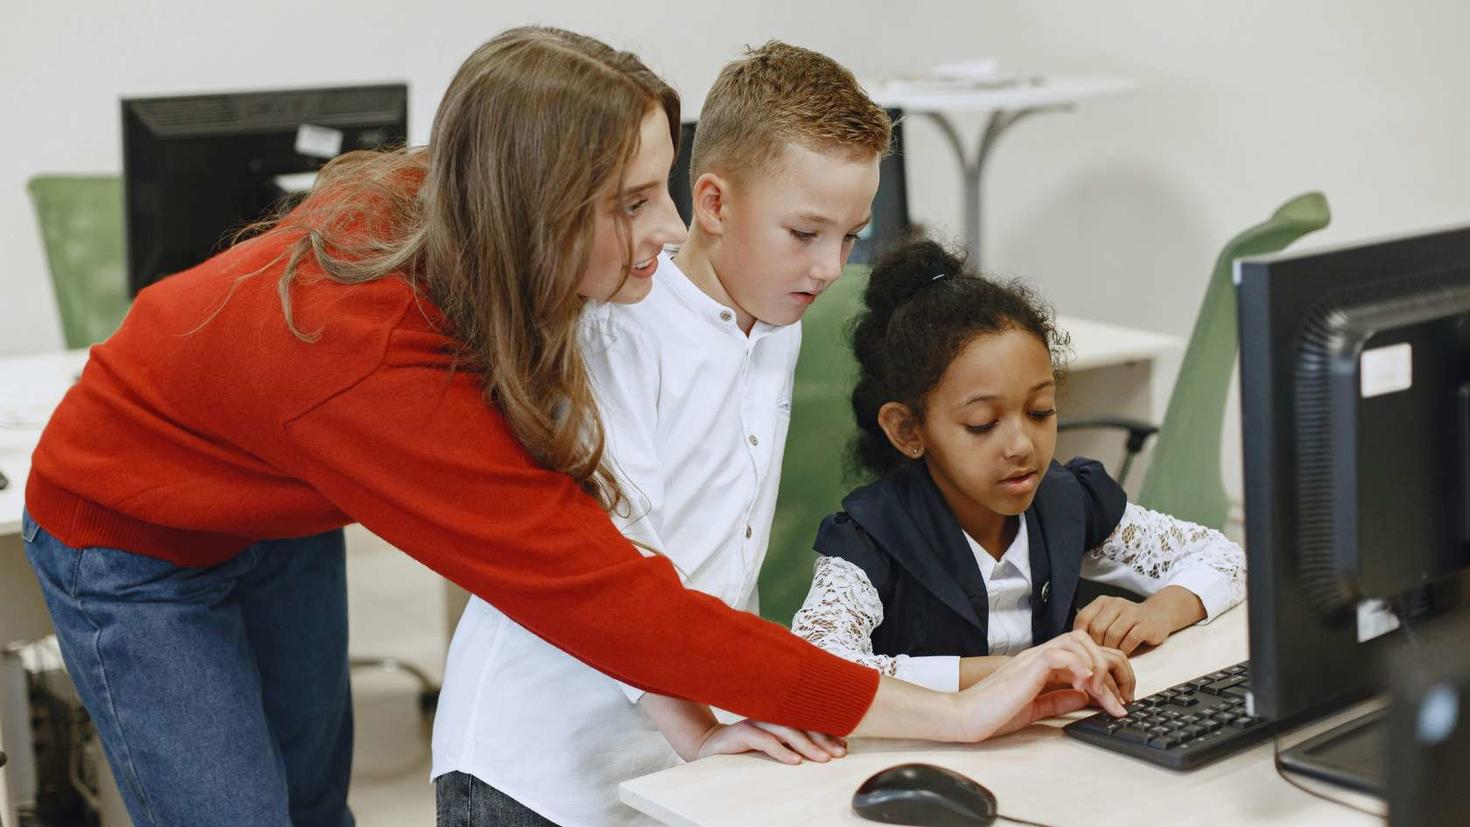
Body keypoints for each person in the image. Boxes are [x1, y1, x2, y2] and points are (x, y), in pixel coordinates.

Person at [22, 28, 1123, 827]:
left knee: (314, 799)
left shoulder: (475, 221)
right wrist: (949, 719)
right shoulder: (371, 363)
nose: (667, 225)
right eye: (632, 202)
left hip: (268, 491)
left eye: (663, 185)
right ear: (540, 210)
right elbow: (616, 601)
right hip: (130, 533)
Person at [434, 41, 898, 826]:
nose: (828, 267)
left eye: (850, 238)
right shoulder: (621, 327)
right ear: (714, 205)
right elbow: (623, 569)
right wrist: (701, 726)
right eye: (806, 233)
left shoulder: (775, 314)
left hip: (666, 756)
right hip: (532, 769)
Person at [793, 237, 1246, 695]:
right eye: (982, 424)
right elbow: (816, 668)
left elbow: (1225, 558)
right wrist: (1030, 671)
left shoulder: (1067, 499)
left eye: (1040, 412)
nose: (1021, 445)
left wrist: (1154, 613)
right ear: (909, 430)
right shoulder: (874, 537)